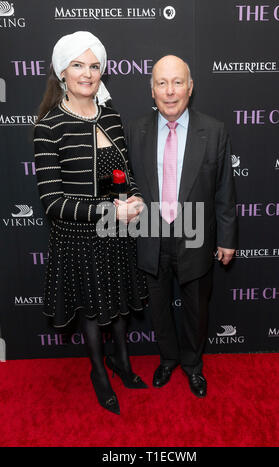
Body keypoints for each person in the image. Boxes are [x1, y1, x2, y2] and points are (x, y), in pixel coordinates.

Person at [34, 31, 148, 415]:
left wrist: (133, 197)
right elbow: (53, 202)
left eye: (94, 65)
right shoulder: (49, 127)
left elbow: (125, 173)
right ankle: (99, 371)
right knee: (92, 310)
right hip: (78, 237)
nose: (87, 73)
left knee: (117, 305)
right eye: (78, 65)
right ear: (62, 72)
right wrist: (108, 211)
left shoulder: (111, 116)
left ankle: (122, 362)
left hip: (115, 233)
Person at [126, 55, 237, 398]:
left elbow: (224, 190)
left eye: (177, 82)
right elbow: (125, 184)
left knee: (196, 309)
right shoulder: (135, 131)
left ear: (190, 87)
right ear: (152, 90)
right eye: (162, 83)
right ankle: (168, 359)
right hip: (150, 235)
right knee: (158, 307)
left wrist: (227, 238)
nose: (170, 91)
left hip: (197, 235)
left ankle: (192, 365)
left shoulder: (214, 130)